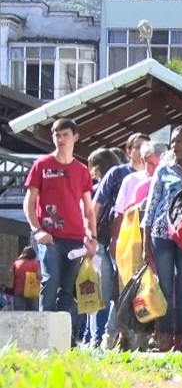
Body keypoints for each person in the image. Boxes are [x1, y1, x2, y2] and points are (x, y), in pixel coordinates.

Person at [22, 118, 96, 336]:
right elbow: (29, 201)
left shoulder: (82, 170)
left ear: (75, 137)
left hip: (75, 238)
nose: (60, 139)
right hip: (49, 236)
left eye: (65, 134)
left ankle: (62, 336)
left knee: (67, 288)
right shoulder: (41, 165)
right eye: (56, 134)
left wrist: (92, 237)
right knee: (50, 279)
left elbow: (89, 208)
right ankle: (44, 333)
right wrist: (37, 230)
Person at [142, 125, 182, 352]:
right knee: (165, 286)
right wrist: (146, 242)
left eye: (179, 141)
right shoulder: (164, 169)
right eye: (172, 142)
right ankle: (164, 335)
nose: (174, 146)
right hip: (161, 234)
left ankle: (181, 335)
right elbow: (151, 205)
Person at [92, 132, 149, 349]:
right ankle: (107, 336)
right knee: (109, 290)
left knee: (128, 289)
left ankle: (124, 335)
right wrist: (92, 235)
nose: (141, 150)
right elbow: (98, 204)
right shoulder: (119, 173)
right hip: (109, 240)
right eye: (137, 147)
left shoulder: (152, 174)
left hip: (139, 243)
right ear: (128, 151)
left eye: (145, 146)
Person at [84, 148, 121, 348]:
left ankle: (95, 337)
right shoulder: (122, 180)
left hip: (98, 240)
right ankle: (108, 334)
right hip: (115, 238)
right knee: (113, 290)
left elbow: (88, 212)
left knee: (98, 291)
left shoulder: (94, 189)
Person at [8, 246, 41, 311]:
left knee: (18, 313)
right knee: (35, 314)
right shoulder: (35, 264)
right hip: (32, 292)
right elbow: (39, 276)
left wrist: (10, 288)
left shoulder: (16, 263)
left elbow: (11, 275)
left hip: (18, 291)